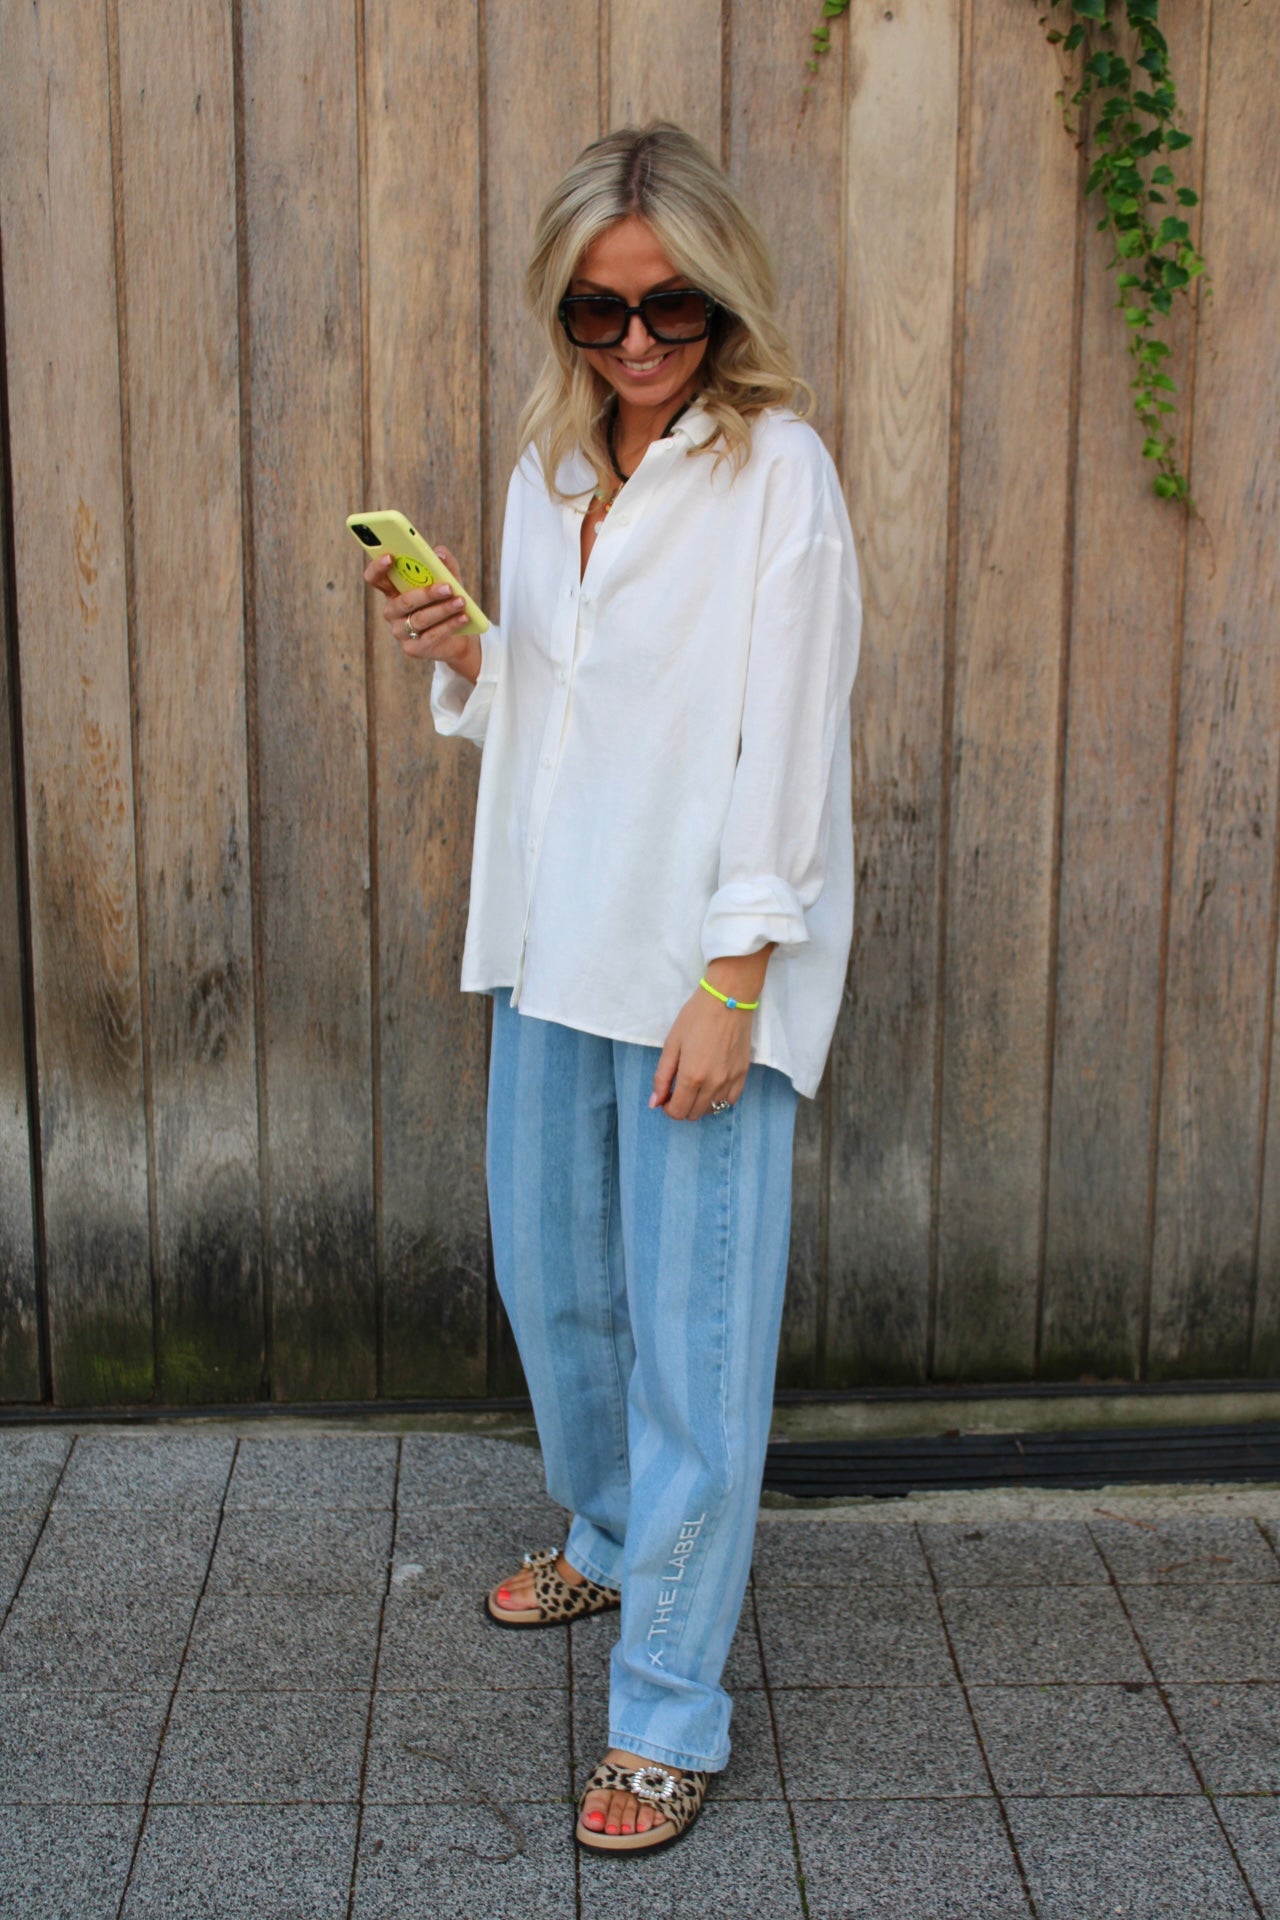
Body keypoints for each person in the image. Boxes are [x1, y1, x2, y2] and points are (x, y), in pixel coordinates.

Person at [364, 121, 861, 1855]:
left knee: (694, 1348)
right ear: (559, 312)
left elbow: (780, 750)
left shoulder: (775, 474)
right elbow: (580, 733)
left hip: (690, 973)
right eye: (598, 312)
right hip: (552, 949)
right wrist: (475, 659)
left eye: (673, 313)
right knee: (559, 1285)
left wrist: (736, 981)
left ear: (725, 309)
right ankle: (602, 1538)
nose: (638, 346)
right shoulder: (550, 475)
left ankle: (667, 1703)